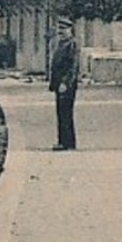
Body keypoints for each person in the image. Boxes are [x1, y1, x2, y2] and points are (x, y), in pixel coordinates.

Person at [47, 18, 80, 151]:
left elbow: (73, 66)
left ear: (70, 29)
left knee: (65, 112)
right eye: (60, 29)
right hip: (59, 83)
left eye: (64, 29)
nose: (61, 32)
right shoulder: (61, 43)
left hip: (66, 84)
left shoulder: (72, 44)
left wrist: (65, 83)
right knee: (61, 112)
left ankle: (67, 142)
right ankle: (63, 141)